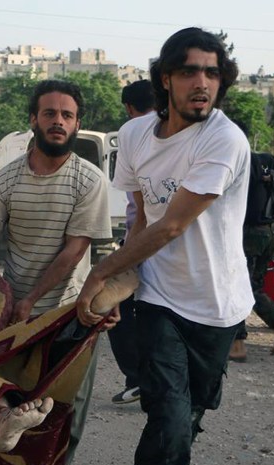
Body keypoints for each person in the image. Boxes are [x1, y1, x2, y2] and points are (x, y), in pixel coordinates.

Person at [75, 27, 254, 465]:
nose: (202, 82)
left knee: (180, 428)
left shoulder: (224, 140)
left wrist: (98, 271)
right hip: (159, 299)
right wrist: (117, 285)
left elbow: (172, 224)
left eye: (213, 72)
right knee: (171, 421)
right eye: (190, 70)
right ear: (165, 78)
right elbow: (141, 220)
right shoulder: (133, 135)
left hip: (217, 305)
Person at [0, 79, 113, 465]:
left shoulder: (89, 179)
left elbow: (76, 250)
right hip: (14, 316)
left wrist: (30, 298)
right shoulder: (7, 178)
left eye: (67, 115)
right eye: (49, 113)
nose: (58, 122)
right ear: (33, 119)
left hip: (72, 313)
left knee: (67, 407)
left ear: (76, 124)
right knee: (11, 402)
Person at [230, 121, 274, 361]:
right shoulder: (267, 161)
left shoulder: (232, 163)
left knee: (239, 286)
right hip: (270, 234)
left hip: (245, 235)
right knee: (251, 284)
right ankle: (239, 342)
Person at [109, 79, 155, 405]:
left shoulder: (133, 135)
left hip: (144, 240)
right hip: (164, 241)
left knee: (115, 308)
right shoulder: (173, 132)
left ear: (128, 107)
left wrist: (124, 258)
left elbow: (142, 212)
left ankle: (140, 379)